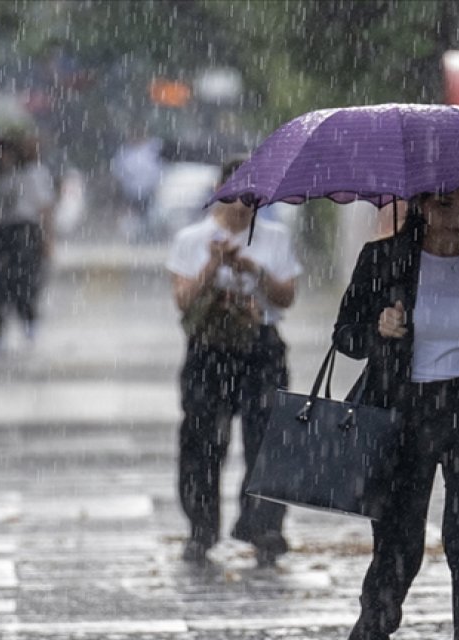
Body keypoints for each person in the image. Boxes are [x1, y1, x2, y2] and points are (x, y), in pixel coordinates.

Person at [333, 188, 459, 640]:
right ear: (422, 205)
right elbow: (345, 335)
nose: (457, 217)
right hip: (403, 415)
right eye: (445, 205)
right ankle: (373, 629)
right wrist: (378, 328)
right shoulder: (383, 259)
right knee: (398, 544)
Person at [165, 156, 302, 567]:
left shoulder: (274, 237)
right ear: (218, 192)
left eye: (251, 197)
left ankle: (263, 525)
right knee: (202, 439)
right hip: (209, 349)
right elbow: (182, 301)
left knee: (268, 437)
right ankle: (201, 527)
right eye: (235, 195)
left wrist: (252, 270)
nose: (242, 205)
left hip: (260, 347)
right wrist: (213, 265)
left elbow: (286, 297)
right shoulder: (193, 238)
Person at [0, 133, 57, 354]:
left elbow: (45, 208)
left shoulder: (34, 174)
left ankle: (29, 323)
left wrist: (47, 238)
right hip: (1, 233)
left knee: (24, 283)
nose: (4, 158)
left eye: (8, 153)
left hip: (25, 232)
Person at [110, 130, 163, 240]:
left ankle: (148, 236)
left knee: (149, 216)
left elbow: (158, 170)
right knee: (133, 217)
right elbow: (118, 172)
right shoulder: (125, 153)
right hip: (131, 191)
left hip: (148, 190)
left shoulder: (152, 150)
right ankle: (135, 237)